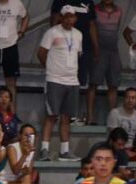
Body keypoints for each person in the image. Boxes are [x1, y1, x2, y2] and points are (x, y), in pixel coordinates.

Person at [38, 6, 82, 162]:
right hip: (55, 80)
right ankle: (44, 150)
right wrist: (50, 69)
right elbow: (41, 53)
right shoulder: (52, 32)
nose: (70, 19)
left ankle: (65, 151)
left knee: (66, 117)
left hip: (72, 80)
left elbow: (78, 54)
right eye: (67, 16)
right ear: (62, 17)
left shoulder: (78, 34)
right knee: (51, 115)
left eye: (72, 17)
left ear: (75, 18)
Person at [52, 0, 98, 125]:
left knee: (78, 81)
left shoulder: (89, 2)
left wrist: (96, 47)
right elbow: (54, 20)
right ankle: (56, 114)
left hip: (83, 47)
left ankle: (71, 115)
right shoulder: (59, 1)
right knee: (60, 80)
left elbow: (92, 24)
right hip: (62, 48)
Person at [88, 0, 122, 125]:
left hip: (113, 51)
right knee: (93, 84)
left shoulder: (119, 11)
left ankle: (113, 119)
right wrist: (96, 48)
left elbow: (117, 29)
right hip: (98, 50)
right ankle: (90, 117)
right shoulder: (95, 9)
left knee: (113, 84)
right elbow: (91, 28)